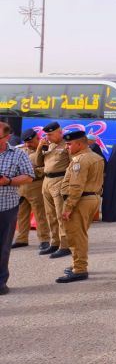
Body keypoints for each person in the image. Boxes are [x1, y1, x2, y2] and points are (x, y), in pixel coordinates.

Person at [56, 130, 104, 283]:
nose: (67, 147)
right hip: (92, 198)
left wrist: (68, 207)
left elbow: (76, 186)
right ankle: (77, 264)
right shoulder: (96, 157)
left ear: (79, 144)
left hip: (80, 201)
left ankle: (80, 269)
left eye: (69, 144)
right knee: (80, 234)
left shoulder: (80, 160)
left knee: (76, 236)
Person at [0, 121, 35, 295]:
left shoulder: (18, 154)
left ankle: (0, 282)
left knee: (2, 247)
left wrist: (9, 181)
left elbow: (29, 176)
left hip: (6, 207)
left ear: (7, 137)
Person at [34, 121, 71, 258]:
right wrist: (40, 148)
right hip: (47, 182)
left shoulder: (67, 145)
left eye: (50, 134)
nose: (47, 137)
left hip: (60, 181)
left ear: (60, 132)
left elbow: (72, 165)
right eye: (46, 135)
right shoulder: (48, 145)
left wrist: (68, 184)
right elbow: (38, 163)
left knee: (61, 215)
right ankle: (55, 243)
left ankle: (65, 245)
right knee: (50, 215)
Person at [12, 129, 50, 250]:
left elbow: (50, 167)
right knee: (21, 214)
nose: (28, 144)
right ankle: (22, 239)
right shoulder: (20, 150)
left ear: (37, 138)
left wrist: (32, 171)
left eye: (31, 142)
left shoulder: (46, 150)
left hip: (36, 186)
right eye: (26, 142)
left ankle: (44, 239)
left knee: (40, 214)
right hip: (21, 187)